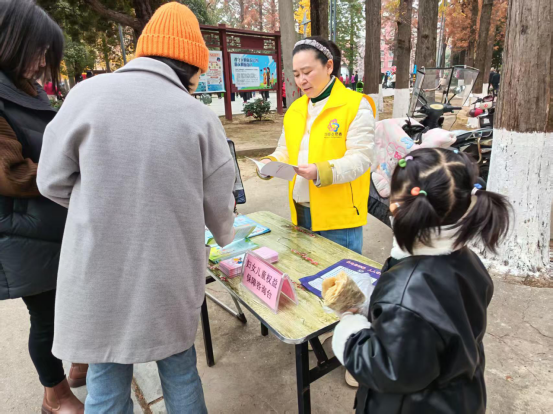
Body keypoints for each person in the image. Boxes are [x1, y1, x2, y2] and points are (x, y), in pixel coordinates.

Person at [37, 2, 236, 413]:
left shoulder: (86, 94)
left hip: (97, 273)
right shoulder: (197, 116)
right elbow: (220, 203)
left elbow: (50, 180)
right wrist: (225, 234)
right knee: (180, 371)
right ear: (191, 66)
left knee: (106, 379)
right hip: (168, 276)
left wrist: (98, 203)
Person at [332, 148, 511, 413]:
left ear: (395, 206)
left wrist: (351, 329)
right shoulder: (468, 260)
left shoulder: (406, 290)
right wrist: (381, 309)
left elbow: (390, 371)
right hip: (460, 396)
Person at [0, 1, 86, 413]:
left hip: (51, 223)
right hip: (22, 231)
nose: (43, 61)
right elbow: (11, 173)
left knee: (76, 299)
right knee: (47, 317)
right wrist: (76, 166)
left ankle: (80, 362)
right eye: (39, 50)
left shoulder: (26, 89)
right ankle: (55, 393)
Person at [258, 37, 376, 255]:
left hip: (338, 216)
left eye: (307, 72)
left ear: (329, 66)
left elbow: (361, 158)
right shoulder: (295, 109)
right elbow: (286, 150)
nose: (302, 80)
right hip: (301, 209)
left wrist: (320, 171)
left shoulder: (356, 105)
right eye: (296, 75)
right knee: (307, 272)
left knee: (340, 274)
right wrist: (270, 162)